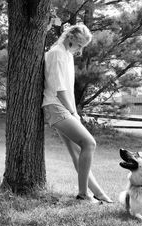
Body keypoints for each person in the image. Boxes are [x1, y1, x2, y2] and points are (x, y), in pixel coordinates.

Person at [42, 24, 113, 204]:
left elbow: (68, 91)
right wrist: (73, 112)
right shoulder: (57, 53)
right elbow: (58, 90)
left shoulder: (66, 54)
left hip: (62, 106)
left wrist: (75, 112)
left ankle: (99, 193)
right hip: (55, 106)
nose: (80, 50)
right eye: (79, 45)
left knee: (76, 151)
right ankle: (83, 195)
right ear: (71, 37)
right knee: (89, 143)